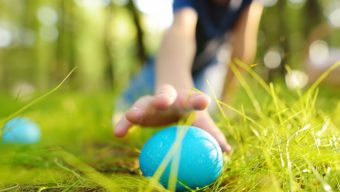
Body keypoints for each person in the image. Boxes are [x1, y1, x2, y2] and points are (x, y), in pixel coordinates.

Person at [114, 0, 264, 153]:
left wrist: (226, 102)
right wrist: (177, 86)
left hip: (209, 64)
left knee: (206, 110)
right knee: (124, 113)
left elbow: (241, 49)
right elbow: (181, 29)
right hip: (168, 62)